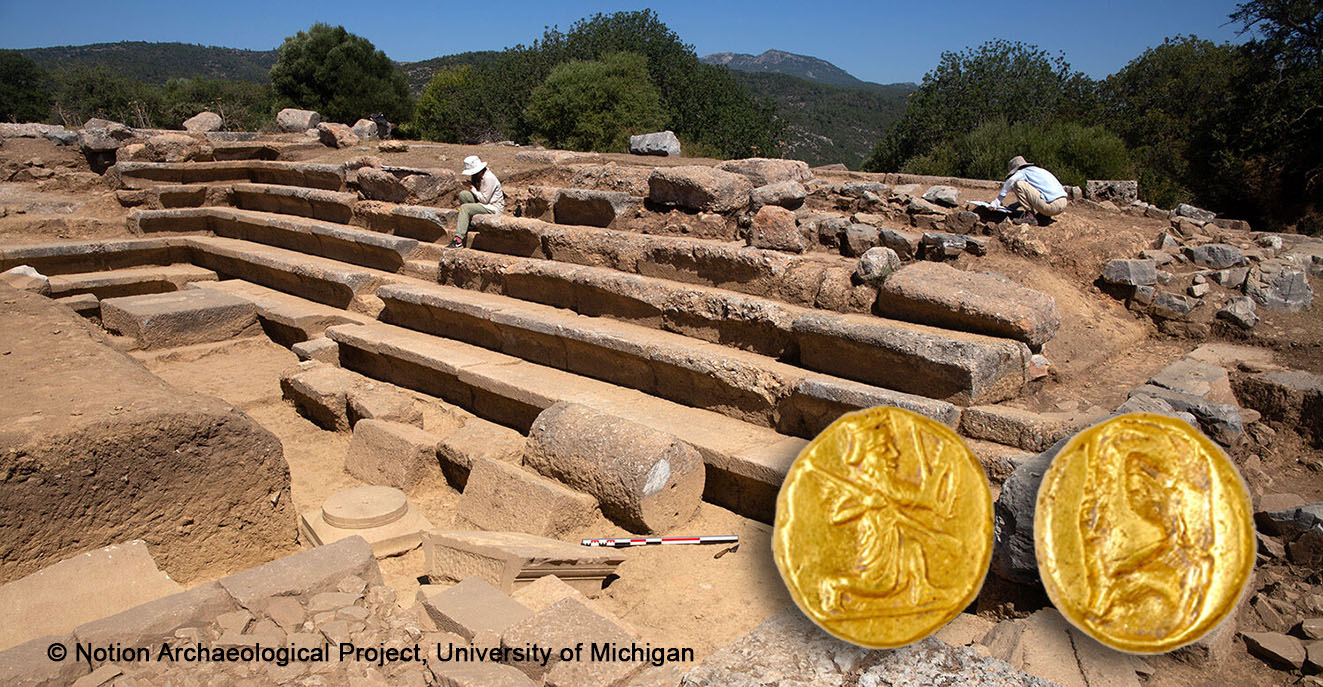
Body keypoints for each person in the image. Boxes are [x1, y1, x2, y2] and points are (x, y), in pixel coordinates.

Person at [993, 155, 1067, 225]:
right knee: (1031, 186)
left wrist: (998, 201)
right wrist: (1018, 204)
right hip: (1063, 203)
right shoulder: (1037, 171)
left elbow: (1011, 181)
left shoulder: (1022, 172)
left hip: (1051, 207)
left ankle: (1030, 216)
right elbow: (1036, 192)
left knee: (1017, 184)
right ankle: (1044, 216)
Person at [449, 155, 504, 247]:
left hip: (493, 208)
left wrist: (472, 187)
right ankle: (469, 224)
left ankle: (458, 240)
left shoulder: (489, 178)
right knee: (463, 195)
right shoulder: (479, 177)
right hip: (484, 204)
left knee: (465, 208)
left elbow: (485, 200)